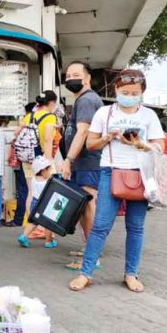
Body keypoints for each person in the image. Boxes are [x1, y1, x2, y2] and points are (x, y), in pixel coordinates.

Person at [69, 69, 164, 293]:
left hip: (141, 174)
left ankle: (131, 274)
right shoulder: (104, 113)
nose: (129, 95)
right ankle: (86, 273)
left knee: (136, 227)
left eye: (134, 92)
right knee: (100, 225)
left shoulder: (149, 115)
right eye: (125, 91)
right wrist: (107, 137)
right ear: (116, 90)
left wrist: (140, 144)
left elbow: (159, 146)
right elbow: (90, 144)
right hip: (110, 172)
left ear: (142, 92)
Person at [61, 61, 105, 270]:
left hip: (88, 162)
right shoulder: (84, 100)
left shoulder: (87, 100)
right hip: (83, 162)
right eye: (68, 76)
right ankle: (89, 249)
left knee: (88, 205)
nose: (71, 79)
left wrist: (68, 159)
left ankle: (92, 257)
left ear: (87, 78)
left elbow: (83, 132)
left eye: (76, 74)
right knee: (83, 206)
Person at [17, 91, 58, 226]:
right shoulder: (50, 117)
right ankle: (43, 227)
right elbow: (47, 139)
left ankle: (32, 225)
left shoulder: (29, 116)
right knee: (48, 193)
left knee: (31, 193)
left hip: (27, 158)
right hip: (41, 159)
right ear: (52, 102)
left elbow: (17, 132)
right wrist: (49, 160)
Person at [17, 157, 58, 248]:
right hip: (45, 204)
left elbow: (32, 193)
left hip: (35, 203)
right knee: (48, 223)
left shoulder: (33, 179)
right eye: (49, 169)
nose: (50, 171)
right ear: (43, 171)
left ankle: (23, 236)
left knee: (33, 222)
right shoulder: (47, 182)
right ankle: (48, 242)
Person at [6, 103, 35, 227]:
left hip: (24, 163)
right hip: (38, 162)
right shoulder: (41, 122)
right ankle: (35, 222)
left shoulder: (25, 122)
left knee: (23, 191)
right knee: (33, 192)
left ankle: (19, 220)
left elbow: (16, 135)